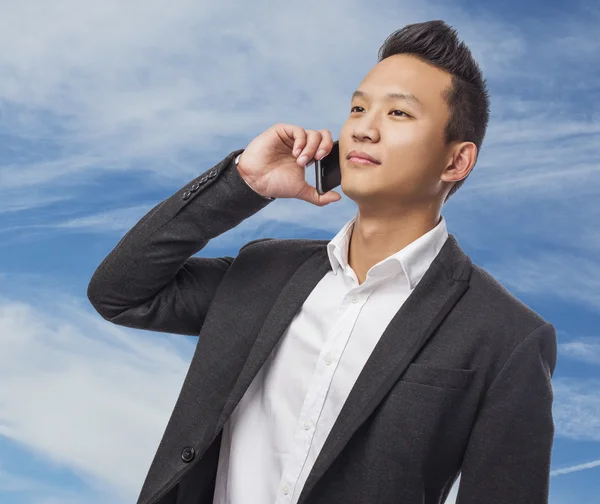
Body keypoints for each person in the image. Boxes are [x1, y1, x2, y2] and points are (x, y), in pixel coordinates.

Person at [87, 20, 557, 504]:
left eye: (398, 113)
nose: (363, 129)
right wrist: (242, 182)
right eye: (357, 108)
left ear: (456, 162)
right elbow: (119, 294)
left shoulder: (507, 337)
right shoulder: (264, 271)